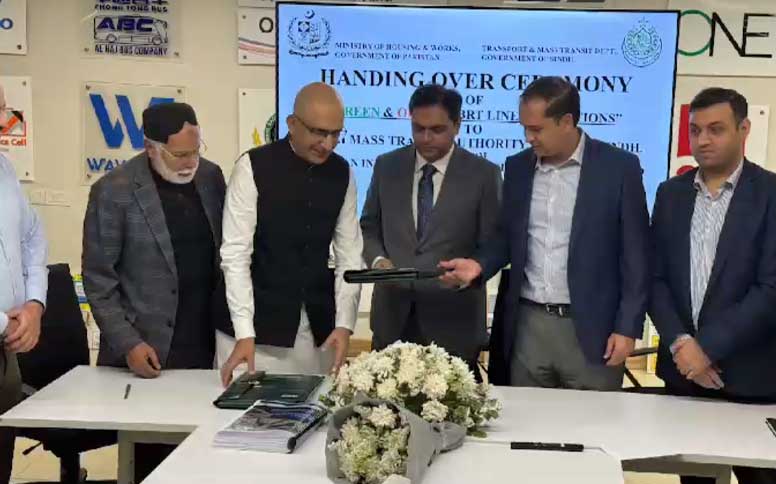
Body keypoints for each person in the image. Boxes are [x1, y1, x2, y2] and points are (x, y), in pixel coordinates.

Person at [440, 76, 649, 391]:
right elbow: (507, 236)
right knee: (524, 417)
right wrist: (479, 264)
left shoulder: (619, 168)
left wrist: (628, 327)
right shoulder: (518, 167)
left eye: (536, 129)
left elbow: (636, 255)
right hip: (528, 327)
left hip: (593, 331)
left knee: (593, 419)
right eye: (524, 128)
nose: (529, 138)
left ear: (566, 122)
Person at [649, 87, 776, 484]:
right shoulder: (670, 194)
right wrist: (681, 345)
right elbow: (655, 279)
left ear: (744, 129)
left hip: (753, 376)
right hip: (686, 374)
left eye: (716, 129)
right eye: (695, 130)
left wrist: (707, 348)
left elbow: (775, 287)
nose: (703, 140)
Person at [218, 82, 363, 386]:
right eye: (318, 132)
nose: (327, 144)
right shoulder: (252, 167)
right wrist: (244, 331)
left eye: (335, 134)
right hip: (253, 332)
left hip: (318, 330)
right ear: (292, 124)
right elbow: (235, 255)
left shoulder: (343, 173)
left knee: (314, 409)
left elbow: (350, 254)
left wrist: (345, 324)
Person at [360, 84, 501, 367]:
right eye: (418, 128)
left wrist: (475, 268)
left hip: (454, 323)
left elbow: (495, 242)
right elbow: (368, 226)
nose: (425, 138)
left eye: (437, 130)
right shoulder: (387, 166)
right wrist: (378, 260)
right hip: (392, 319)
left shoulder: (484, 174)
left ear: (457, 125)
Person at [83, 102, 227, 377]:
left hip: (204, 344)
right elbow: (98, 279)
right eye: (180, 155)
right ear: (151, 148)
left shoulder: (211, 177)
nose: (191, 163)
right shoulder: (113, 190)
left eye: (196, 151)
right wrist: (128, 343)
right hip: (142, 349)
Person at [0, 82, 48, 484]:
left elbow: (32, 236)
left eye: (3, 108)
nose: (3, 121)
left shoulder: (4, 168)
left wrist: (34, 304)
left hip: (6, 352)